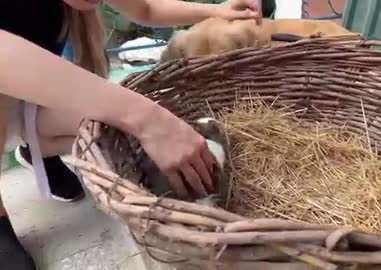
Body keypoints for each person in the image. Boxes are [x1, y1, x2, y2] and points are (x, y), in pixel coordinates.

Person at [0, 0, 260, 269]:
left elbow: (146, 8)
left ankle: (39, 150)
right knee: (131, 122)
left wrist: (216, 11)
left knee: (113, 136)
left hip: (34, 94)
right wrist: (145, 117)